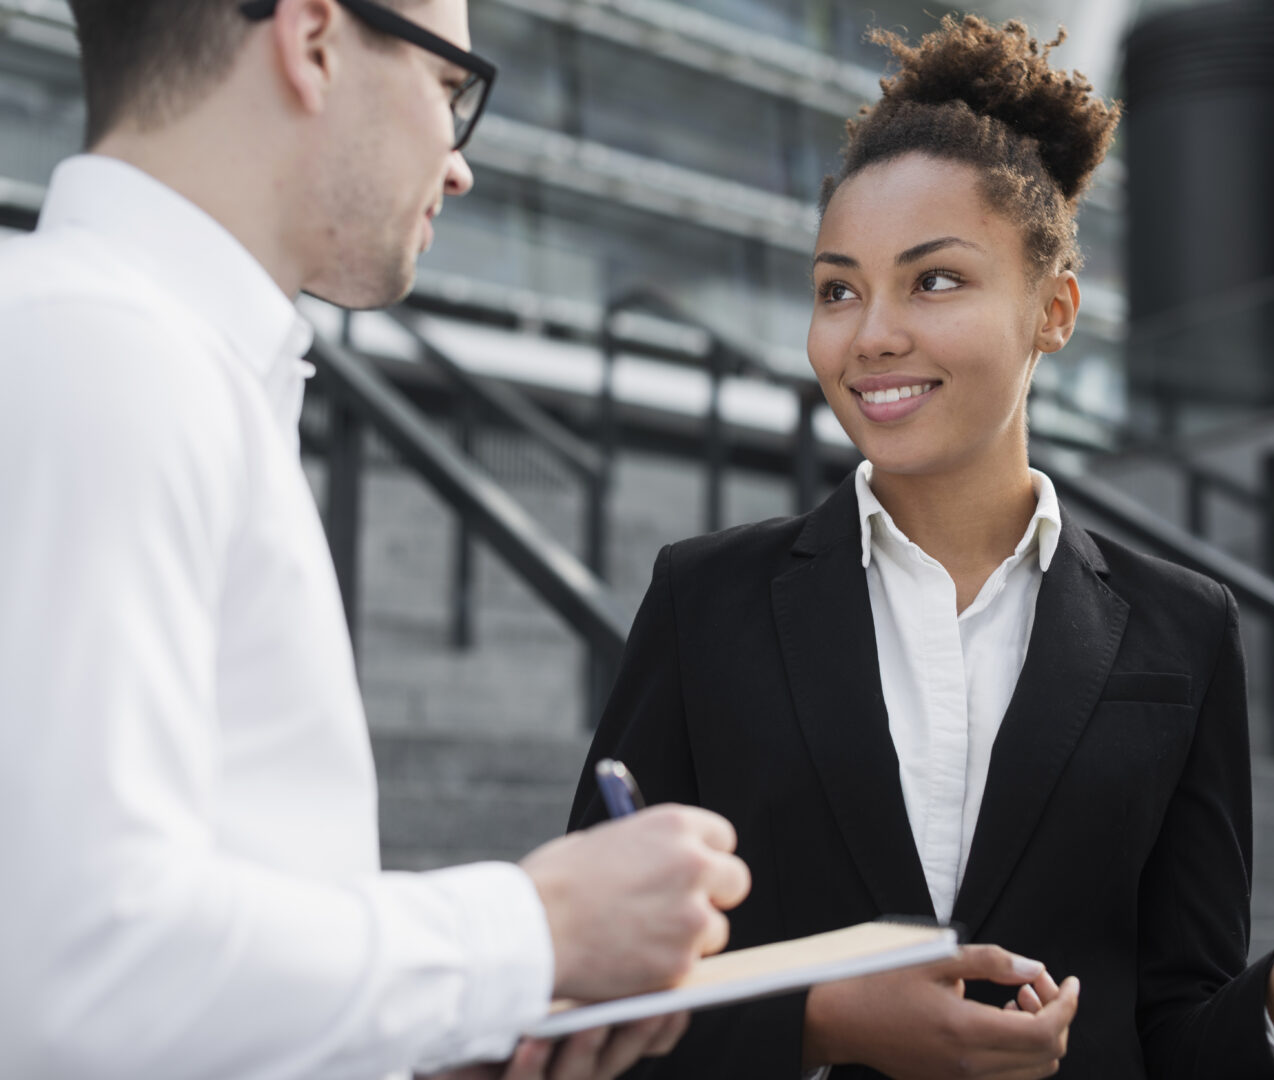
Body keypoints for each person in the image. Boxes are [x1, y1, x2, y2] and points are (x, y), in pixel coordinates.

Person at [569, 16, 1274, 1079]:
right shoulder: (706, 601)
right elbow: (580, 991)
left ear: (1054, 310)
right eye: (837, 289)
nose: (871, 335)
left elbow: (1178, 1039)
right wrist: (817, 1026)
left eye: (933, 280)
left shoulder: (1183, 632)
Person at [0, 2, 752, 1078]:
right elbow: (73, 969)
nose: (461, 166)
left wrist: (422, 1032)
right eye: (450, 88)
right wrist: (534, 932)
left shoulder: (151, 361)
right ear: (314, 41)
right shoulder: (101, 355)